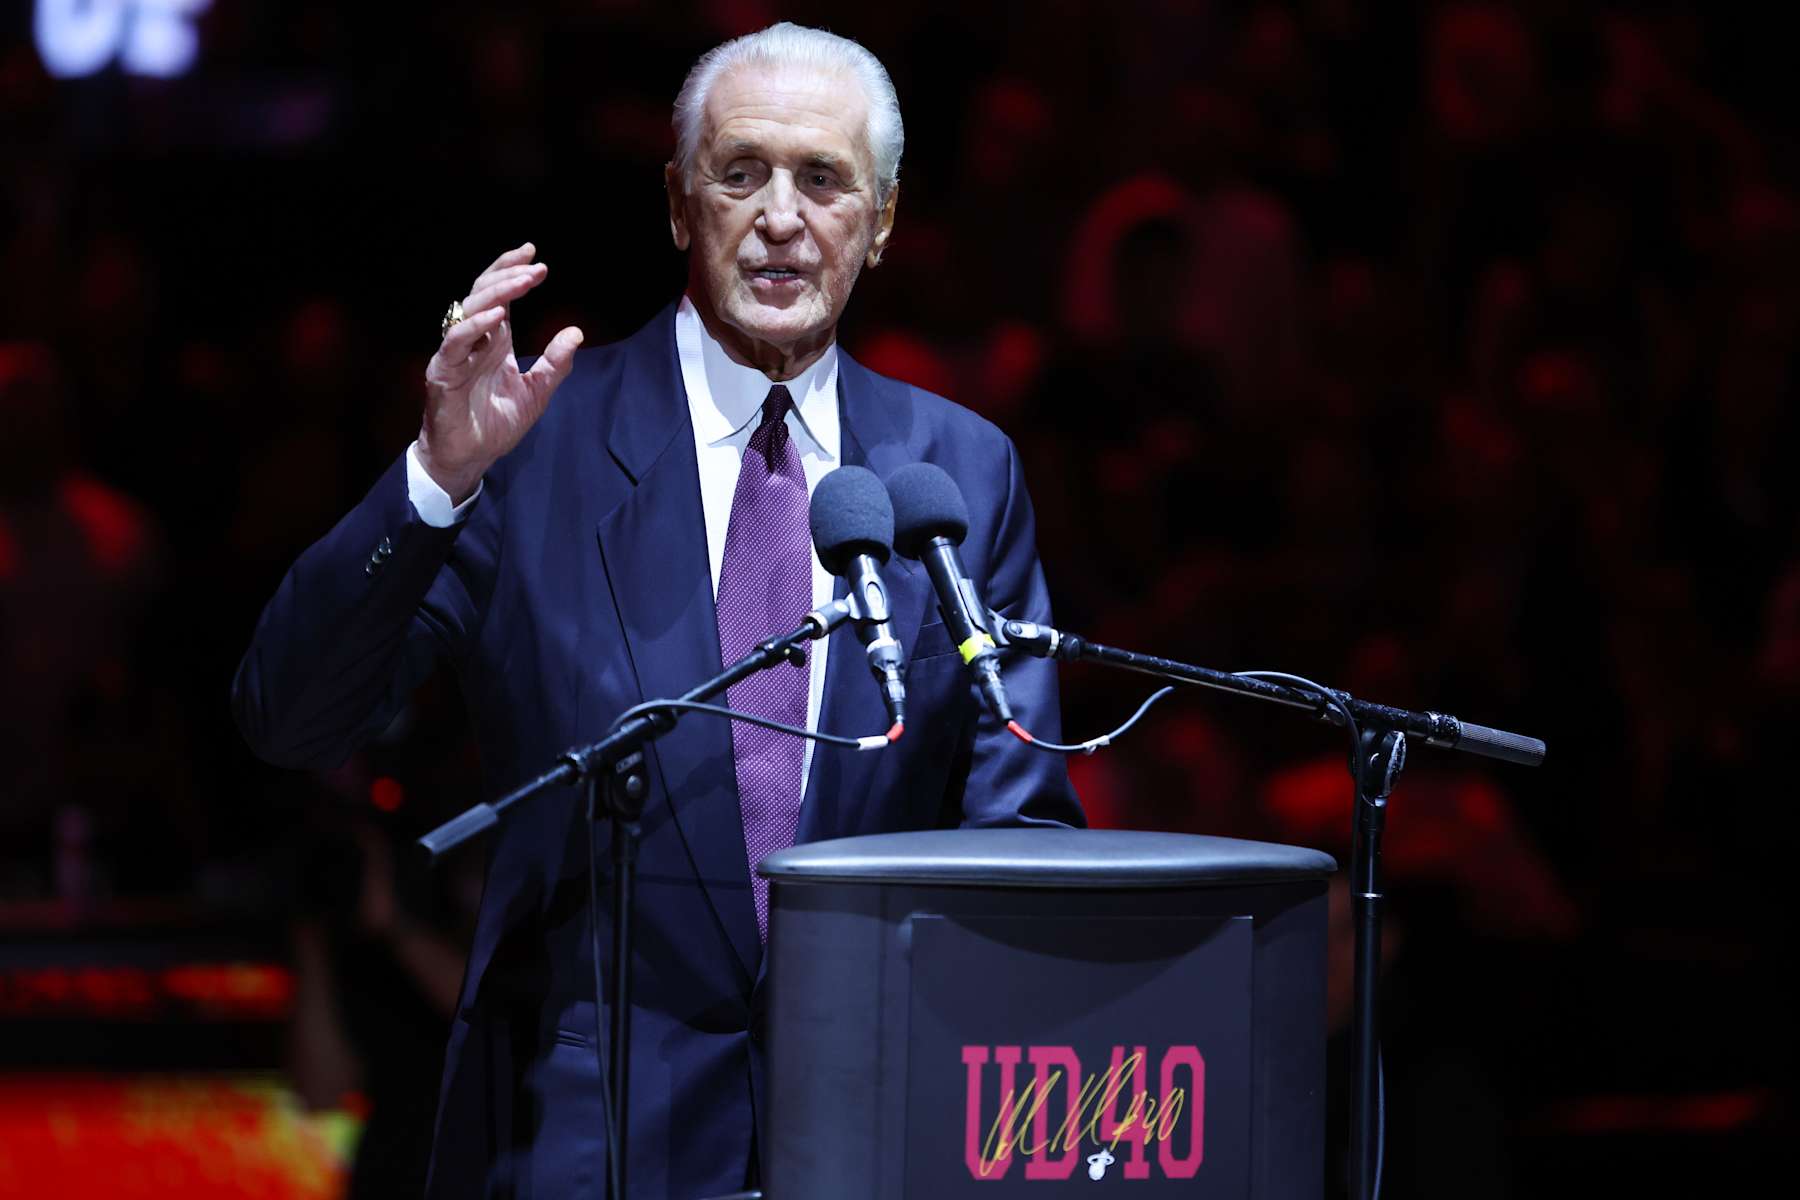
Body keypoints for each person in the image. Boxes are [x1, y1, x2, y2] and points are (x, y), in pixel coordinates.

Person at [233, 22, 1081, 1199]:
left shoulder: (959, 472)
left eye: (823, 179)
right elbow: (291, 718)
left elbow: (1020, 832)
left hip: (878, 1134)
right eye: (741, 173)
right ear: (682, 205)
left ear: (881, 221)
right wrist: (434, 483)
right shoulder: (538, 446)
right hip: (589, 1139)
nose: (781, 215)